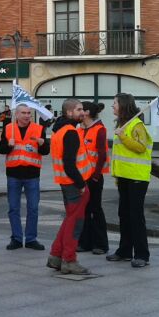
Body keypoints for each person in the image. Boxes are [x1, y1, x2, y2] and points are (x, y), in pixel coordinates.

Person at [47, 98, 92, 275]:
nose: (83, 112)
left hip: (66, 182)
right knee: (75, 224)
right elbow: (69, 164)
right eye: (79, 109)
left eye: (83, 109)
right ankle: (69, 260)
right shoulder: (71, 132)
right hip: (75, 184)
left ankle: (56, 256)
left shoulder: (60, 130)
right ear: (69, 112)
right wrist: (81, 185)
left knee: (69, 220)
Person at [107, 93, 152, 268]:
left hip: (137, 178)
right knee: (124, 215)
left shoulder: (136, 124)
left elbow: (141, 147)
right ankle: (124, 251)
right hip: (125, 177)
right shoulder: (122, 124)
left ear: (123, 105)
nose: (112, 106)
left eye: (115, 103)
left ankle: (142, 254)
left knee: (136, 216)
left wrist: (123, 137)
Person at [0, 103, 49, 251]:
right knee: (13, 208)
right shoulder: (9, 128)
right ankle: (16, 238)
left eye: (29, 113)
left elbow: (45, 151)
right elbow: (1, 149)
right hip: (13, 174)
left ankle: (31, 239)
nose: (27, 116)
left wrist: (43, 143)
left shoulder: (39, 129)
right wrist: (8, 145)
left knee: (33, 208)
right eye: (24, 113)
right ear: (17, 114)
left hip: (32, 175)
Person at [78, 102, 109, 255]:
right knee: (83, 210)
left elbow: (102, 154)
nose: (79, 112)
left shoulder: (99, 129)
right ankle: (85, 243)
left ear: (88, 112)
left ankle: (101, 244)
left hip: (94, 177)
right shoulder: (79, 129)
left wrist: (96, 176)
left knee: (95, 209)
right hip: (81, 177)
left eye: (81, 109)